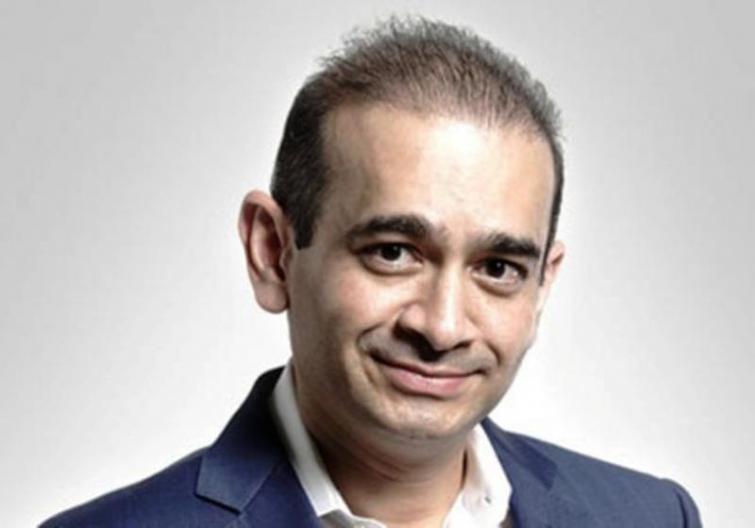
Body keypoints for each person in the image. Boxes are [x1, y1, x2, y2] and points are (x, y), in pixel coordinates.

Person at [41, 16, 702, 528]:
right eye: (393, 252)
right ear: (272, 251)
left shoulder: (651, 517)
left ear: (541, 287)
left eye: (498, 267)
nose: (442, 327)